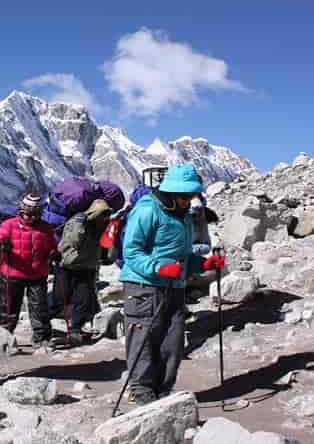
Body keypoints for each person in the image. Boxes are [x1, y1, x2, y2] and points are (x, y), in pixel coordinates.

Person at [119, 164, 225, 404]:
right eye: (185, 196)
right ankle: (142, 392)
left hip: (175, 287)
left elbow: (184, 256)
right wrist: (158, 268)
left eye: (191, 195)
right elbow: (131, 252)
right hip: (143, 287)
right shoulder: (147, 210)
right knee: (144, 340)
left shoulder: (184, 216)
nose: (189, 201)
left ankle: (164, 391)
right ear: (171, 192)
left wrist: (205, 265)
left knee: (172, 342)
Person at [0, 193, 57, 350]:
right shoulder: (9, 225)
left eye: (35, 214)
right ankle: (3, 340)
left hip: (37, 274)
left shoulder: (45, 228)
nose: (31, 217)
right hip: (13, 273)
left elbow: (51, 246)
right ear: (21, 210)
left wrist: (53, 253)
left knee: (39, 309)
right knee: (8, 309)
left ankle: (41, 339)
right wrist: (2, 245)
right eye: (28, 213)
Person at [53, 198, 113, 347]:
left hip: (87, 267)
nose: (104, 218)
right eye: (102, 214)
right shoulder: (78, 222)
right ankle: (49, 326)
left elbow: (106, 243)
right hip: (68, 265)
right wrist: (82, 225)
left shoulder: (103, 227)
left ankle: (75, 329)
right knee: (61, 297)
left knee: (83, 300)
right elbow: (74, 241)